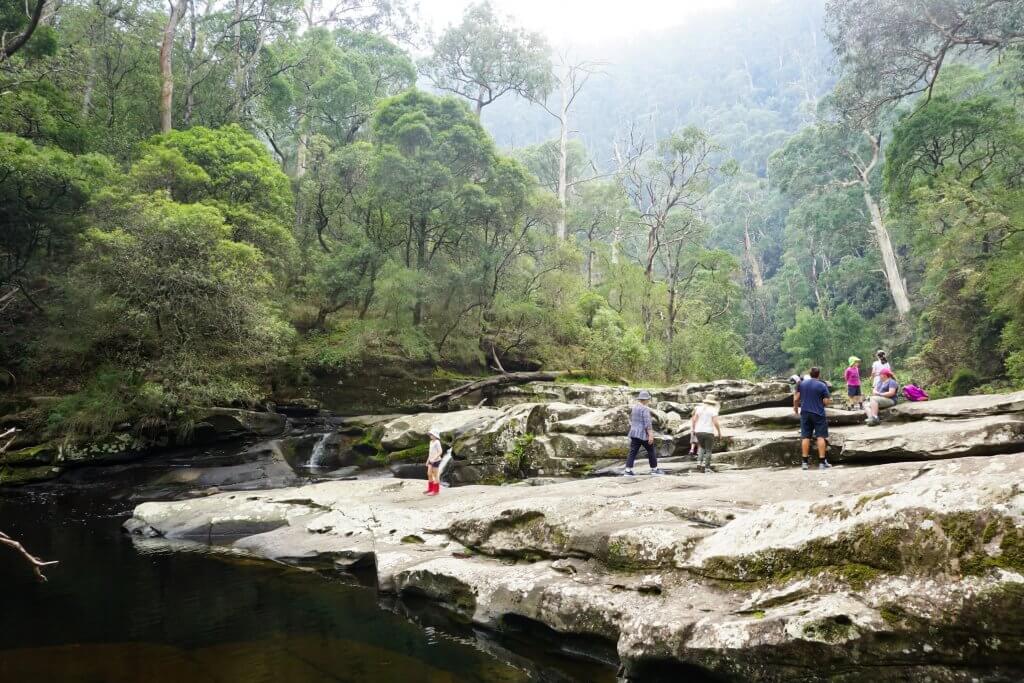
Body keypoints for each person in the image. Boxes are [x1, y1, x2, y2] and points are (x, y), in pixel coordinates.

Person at [794, 367, 832, 470]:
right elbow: (826, 402)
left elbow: (796, 398)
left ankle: (805, 463)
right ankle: (821, 463)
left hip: (805, 413)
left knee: (805, 437)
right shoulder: (822, 385)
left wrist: (796, 408)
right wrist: (826, 401)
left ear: (810, 374)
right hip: (818, 414)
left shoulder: (802, 384)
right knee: (820, 437)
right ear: (818, 374)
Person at [624, 390, 665, 476]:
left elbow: (632, 419)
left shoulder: (634, 407)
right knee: (651, 450)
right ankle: (654, 469)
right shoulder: (645, 409)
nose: (648, 401)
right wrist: (650, 435)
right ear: (646, 399)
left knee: (632, 452)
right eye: (648, 399)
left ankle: (627, 471)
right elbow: (648, 424)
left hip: (634, 433)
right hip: (643, 434)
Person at [691, 395, 722, 473]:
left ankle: (699, 464)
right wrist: (719, 432)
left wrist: (694, 430)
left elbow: (694, 420)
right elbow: (715, 422)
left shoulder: (699, 408)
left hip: (698, 431)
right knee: (708, 450)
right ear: (713, 402)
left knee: (701, 447)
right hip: (708, 431)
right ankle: (707, 467)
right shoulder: (713, 410)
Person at [424, 428, 444, 496]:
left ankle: (436, 491)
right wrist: (427, 460)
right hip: (430, 460)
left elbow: (440, 451)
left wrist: (434, 458)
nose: (430, 436)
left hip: (436, 460)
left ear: (435, 435)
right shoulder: (431, 442)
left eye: (431, 434)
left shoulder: (437, 442)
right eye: (430, 434)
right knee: (429, 474)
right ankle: (430, 489)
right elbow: (430, 452)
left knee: (435, 475)